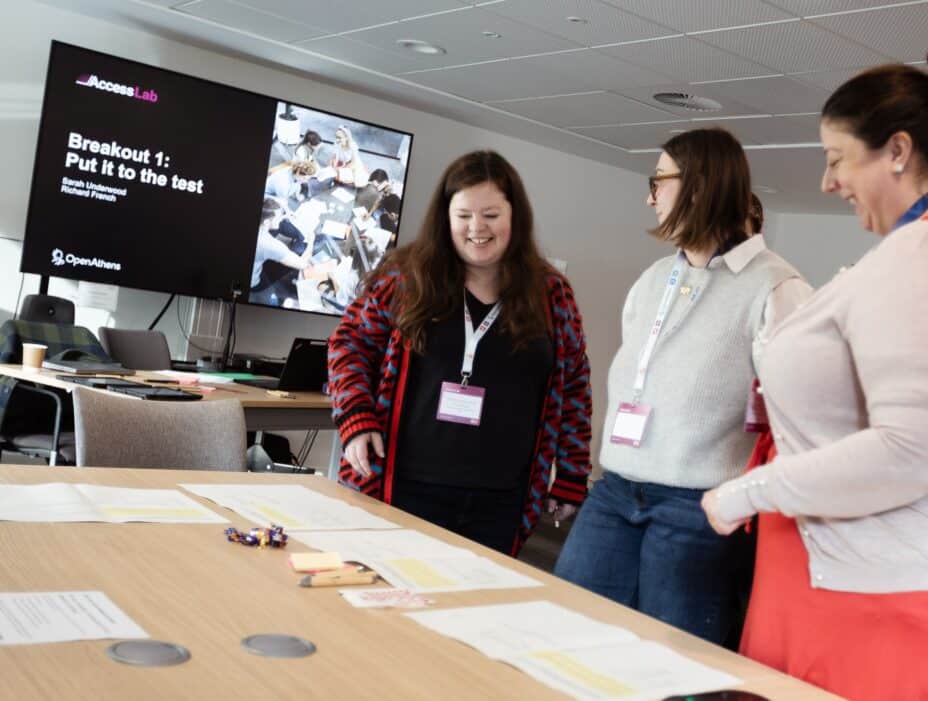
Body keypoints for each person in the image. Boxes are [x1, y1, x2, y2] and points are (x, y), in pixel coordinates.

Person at [700, 40, 928, 699]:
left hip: (892, 594)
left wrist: (746, 493)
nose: (828, 182)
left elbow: (915, 449)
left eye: (836, 158)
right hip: (873, 577)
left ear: (898, 151)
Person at [553, 127, 810, 644]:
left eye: (658, 181)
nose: (649, 197)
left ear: (698, 186)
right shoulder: (653, 278)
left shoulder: (777, 287)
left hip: (696, 505)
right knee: (568, 629)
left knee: (675, 659)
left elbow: (800, 417)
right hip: (616, 488)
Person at [327, 150, 592, 555]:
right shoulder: (406, 277)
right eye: (464, 215)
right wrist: (355, 418)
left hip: (502, 500)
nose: (477, 228)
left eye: (491, 215)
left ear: (515, 216)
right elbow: (350, 343)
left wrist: (572, 472)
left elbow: (573, 386)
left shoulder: (551, 293)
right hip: (401, 487)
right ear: (445, 217)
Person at [251, 198, 311, 292]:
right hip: (253, 281)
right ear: (266, 222)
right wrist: (311, 241)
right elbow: (303, 264)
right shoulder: (270, 245)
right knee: (271, 280)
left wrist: (286, 212)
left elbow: (273, 200)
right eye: (278, 218)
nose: (281, 219)